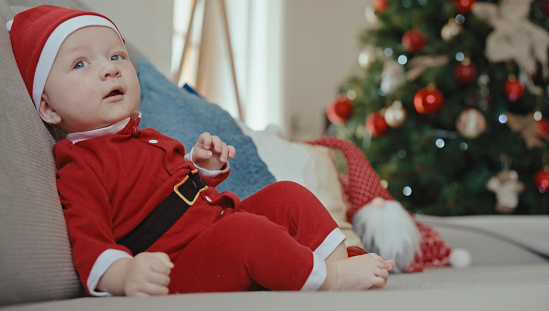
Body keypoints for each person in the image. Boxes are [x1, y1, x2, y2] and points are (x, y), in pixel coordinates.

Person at [7, 5, 394, 297]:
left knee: (286, 195)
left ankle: (337, 263)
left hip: (214, 225)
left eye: (116, 56)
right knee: (247, 233)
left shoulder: (146, 136)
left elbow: (168, 188)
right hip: (180, 263)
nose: (109, 70)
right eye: (80, 63)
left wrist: (202, 168)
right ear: (48, 108)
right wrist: (124, 275)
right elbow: (89, 239)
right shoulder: (81, 164)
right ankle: (332, 281)